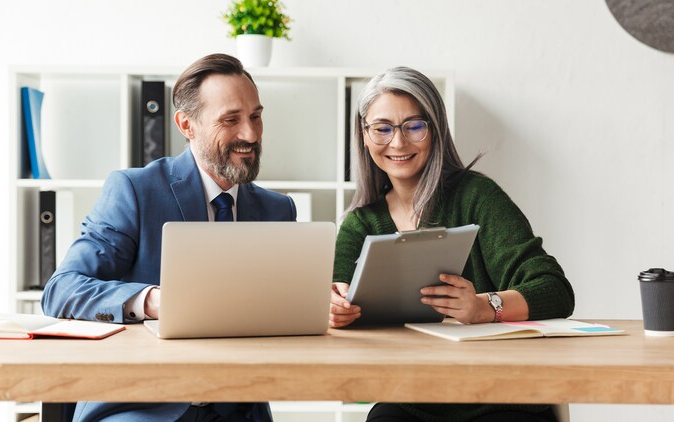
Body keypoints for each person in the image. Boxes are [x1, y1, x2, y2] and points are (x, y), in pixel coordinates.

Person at [41, 53, 295, 422]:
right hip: (141, 404)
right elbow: (61, 290)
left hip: (239, 407)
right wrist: (152, 301)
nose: (251, 134)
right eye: (230, 119)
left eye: (255, 116)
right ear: (186, 124)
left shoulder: (278, 210)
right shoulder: (135, 191)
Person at [329, 67, 575, 422]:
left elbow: (555, 290)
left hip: (502, 399)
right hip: (411, 396)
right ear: (364, 137)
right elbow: (335, 297)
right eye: (382, 128)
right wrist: (333, 307)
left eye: (414, 126)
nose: (398, 143)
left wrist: (484, 307)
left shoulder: (477, 197)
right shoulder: (359, 224)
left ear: (436, 131)